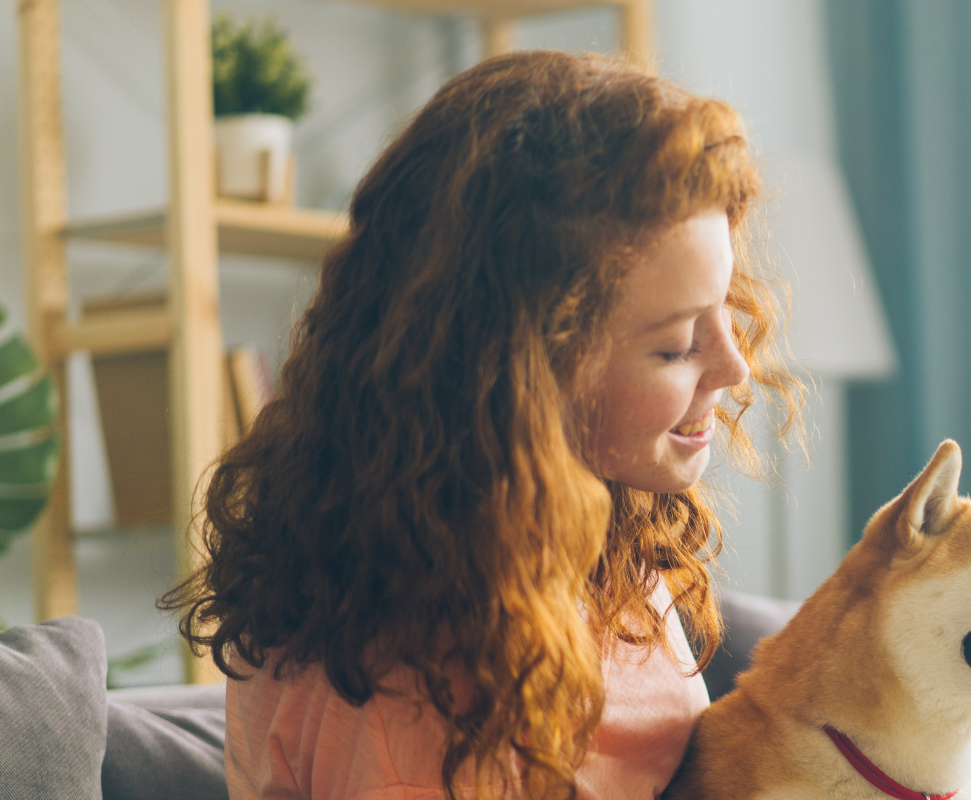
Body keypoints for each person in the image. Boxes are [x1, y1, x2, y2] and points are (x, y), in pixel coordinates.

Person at [163, 50, 801, 800]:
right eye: (675, 344)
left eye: (724, 308)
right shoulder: (406, 694)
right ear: (521, 374)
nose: (735, 367)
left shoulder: (594, 528)